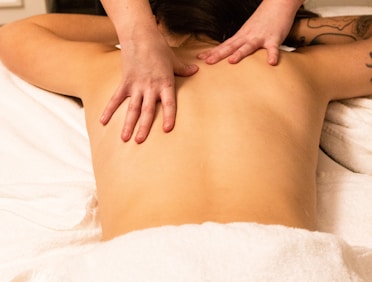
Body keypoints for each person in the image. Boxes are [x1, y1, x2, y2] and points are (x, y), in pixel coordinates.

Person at [0, 1, 371, 241]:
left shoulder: (107, 69)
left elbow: (15, 34)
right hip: (281, 256)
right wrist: (290, 26)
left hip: (140, 261)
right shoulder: (294, 69)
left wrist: (141, 32)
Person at [99, 0, 305, 143]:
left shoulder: (104, 67)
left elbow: (64, 28)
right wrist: (137, 31)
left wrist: (137, 30)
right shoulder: (292, 69)